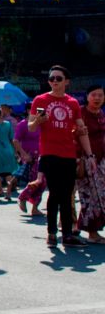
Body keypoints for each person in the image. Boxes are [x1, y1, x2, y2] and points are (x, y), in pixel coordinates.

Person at [30, 65, 93, 247]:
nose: (54, 82)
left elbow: (81, 130)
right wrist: (38, 121)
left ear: (67, 82)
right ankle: (51, 232)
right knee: (56, 193)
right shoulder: (40, 99)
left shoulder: (72, 103)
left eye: (58, 78)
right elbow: (30, 127)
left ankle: (67, 234)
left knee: (66, 195)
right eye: (52, 79)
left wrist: (89, 154)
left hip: (68, 153)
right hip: (49, 153)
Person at [76, 86, 105, 243]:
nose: (97, 98)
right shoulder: (80, 113)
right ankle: (92, 232)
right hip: (84, 160)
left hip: (101, 160)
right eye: (94, 95)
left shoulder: (101, 114)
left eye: (100, 95)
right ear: (87, 96)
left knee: (101, 196)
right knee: (90, 197)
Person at [14, 113, 45, 216]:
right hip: (30, 157)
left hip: (43, 155)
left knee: (42, 183)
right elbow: (16, 141)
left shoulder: (43, 124)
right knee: (37, 181)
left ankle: (35, 207)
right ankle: (23, 197)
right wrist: (23, 154)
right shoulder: (23, 124)